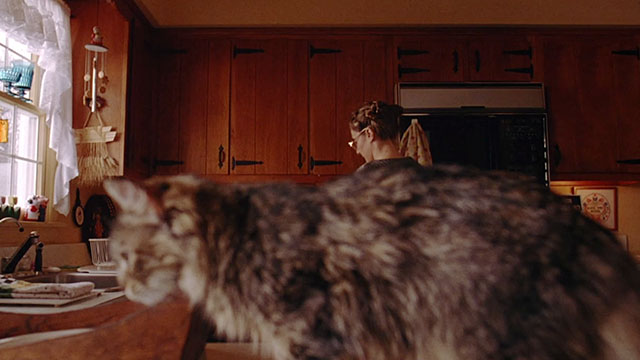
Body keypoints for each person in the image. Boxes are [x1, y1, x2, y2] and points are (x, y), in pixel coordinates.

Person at [348, 101, 419, 171]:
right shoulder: (418, 169)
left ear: (369, 133)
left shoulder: (363, 177)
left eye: (356, 142)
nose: (357, 151)